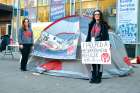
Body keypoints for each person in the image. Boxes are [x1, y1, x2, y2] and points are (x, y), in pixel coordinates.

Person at [86, 10, 110, 84]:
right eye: (95, 14)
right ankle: (93, 77)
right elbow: (89, 35)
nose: (97, 15)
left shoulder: (104, 24)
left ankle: (99, 77)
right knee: (93, 61)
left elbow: (106, 35)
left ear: (100, 15)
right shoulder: (91, 24)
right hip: (92, 44)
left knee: (99, 61)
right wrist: (87, 43)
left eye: (98, 14)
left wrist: (107, 43)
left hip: (100, 44)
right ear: (94, 15)